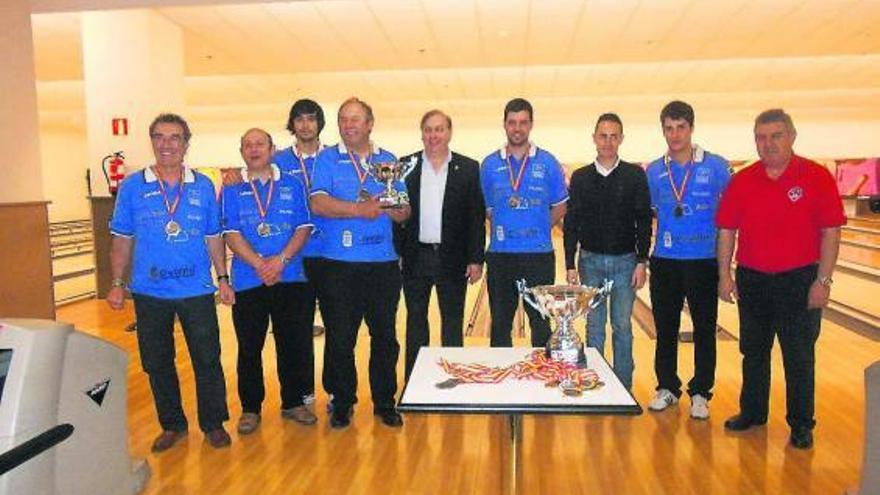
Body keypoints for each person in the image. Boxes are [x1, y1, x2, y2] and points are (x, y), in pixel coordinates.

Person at [717, 109, 844, 449]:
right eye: (761, 137)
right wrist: (724, 276)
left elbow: (831, 232)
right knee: (753, 351)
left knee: (799, 355)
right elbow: (727, 230)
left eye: (776, 135)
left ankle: (801, 423)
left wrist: (824, 281)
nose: (768, 143)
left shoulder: (816, 176)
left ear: (792, 136)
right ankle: (753, 412)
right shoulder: (742, 180)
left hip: (799, 280)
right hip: (754, 278)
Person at [107, 113, 233, 451]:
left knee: (207, 358)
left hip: (196, 290)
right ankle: (173, 424)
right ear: (152, 142)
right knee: (157, 362)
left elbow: (213, 236)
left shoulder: (203, 186)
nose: (167, 144)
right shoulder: (133, 186)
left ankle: (213, 422)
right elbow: (122, 238)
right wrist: (117, 282)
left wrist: (222, 277)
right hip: (150, 291)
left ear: (186, 143)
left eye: (175, 137)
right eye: (160, 137)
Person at [309, 97, 410, 429]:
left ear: (370, 123)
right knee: (340, 337)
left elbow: (404, 211)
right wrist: (360, 210)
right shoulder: (326, 159)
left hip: (382, 265)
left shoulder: (389, 161)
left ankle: (384, 402)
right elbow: (319, 204)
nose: (348, 125)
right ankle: (342, 402)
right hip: (339, 265)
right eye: (343, 120)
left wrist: (395, 209)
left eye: (355, 119)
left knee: (384, 336)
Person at [222, 128, 316, 433]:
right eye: (247, 145)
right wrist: (260, 264)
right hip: (249, 279)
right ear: (241, 152)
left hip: (290, 277)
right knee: (250, 347)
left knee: (293, 344)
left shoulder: (293, 183)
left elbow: (303, 227)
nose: (253, 149)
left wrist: (281, 260)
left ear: (272, 149)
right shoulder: (232, 189)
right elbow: (231, 233)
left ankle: (293, 403)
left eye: (259, 144)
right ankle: (250, 409)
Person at [645, 100, 730, 419]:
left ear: (691, 129)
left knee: (705, 328)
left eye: (681, 127)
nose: (675, 134)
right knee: (664, 327)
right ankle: (667, 386)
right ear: (663, 130)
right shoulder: (655, 171)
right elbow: (653, 212)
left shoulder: (717, 167)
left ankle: (700, 392)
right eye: (669, 128)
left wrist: (725, 270)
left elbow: (729, 219)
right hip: (665, 260)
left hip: (703, 260)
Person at [394, 110, 485, 380]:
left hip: (452, 257)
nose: (434, 135)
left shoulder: (468, 168)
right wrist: (398, 252)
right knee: (416, 322)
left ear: (449, 132)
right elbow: (396, 214)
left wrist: (475, 259)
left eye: (439, 129)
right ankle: (414, 382)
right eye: (429, 130)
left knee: (452, 323)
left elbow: (475, 217)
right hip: (415, 256)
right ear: (422, 133)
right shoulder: (405, 166)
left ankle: (452, 379)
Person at [563, 113, 651, 390]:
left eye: (614, 136)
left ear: (621, 139)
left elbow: (644, 221)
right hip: (589, 261)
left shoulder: (634, 175)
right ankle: (594, 381)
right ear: (594, 139)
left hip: (625, 261)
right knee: (594, 327)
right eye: (603, 135)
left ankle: (623, 386)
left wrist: (641, 261)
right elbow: (571, 222)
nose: (608, 141)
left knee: (622, 326)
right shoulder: (581, 178)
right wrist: (569, 263)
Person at [480, 98, 568, 348]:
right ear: (504, 125)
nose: (517, 128)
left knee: (540, 323)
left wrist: (538, 227)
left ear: (531, 125)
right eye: (512, 122)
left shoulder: (548, 162)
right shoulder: (489, 164)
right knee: (500, 325)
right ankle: (504, 384)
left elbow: (561, 205)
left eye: (523, 122)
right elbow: (488, 209)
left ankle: (540, 381)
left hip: (538, 256)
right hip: (501, 257)